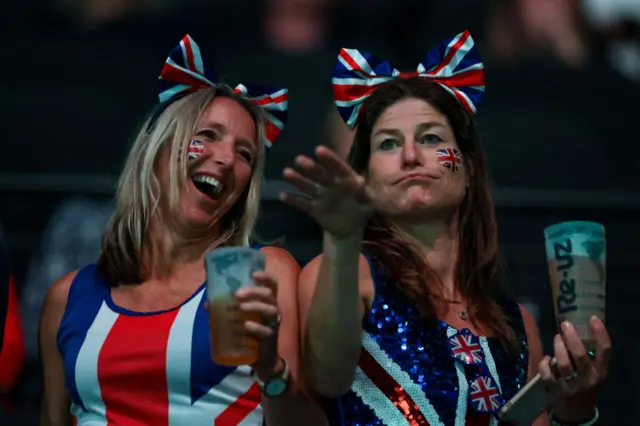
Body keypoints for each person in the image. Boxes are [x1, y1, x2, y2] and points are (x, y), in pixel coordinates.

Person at [282, 31, 612, 425]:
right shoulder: (344, 275)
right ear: (366, 180)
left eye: (431, 138)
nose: (410, 155)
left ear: (469, 169)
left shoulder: (517, 324)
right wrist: (340, 239)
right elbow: (328, 377)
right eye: (387, 144)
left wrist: (576, 411)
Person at [39, 34, 321, 426]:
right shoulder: (66, 297)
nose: (225, 159)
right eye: (207, 135)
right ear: (155, 151)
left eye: (245, 154)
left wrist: (273, 373)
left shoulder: (265, 272)